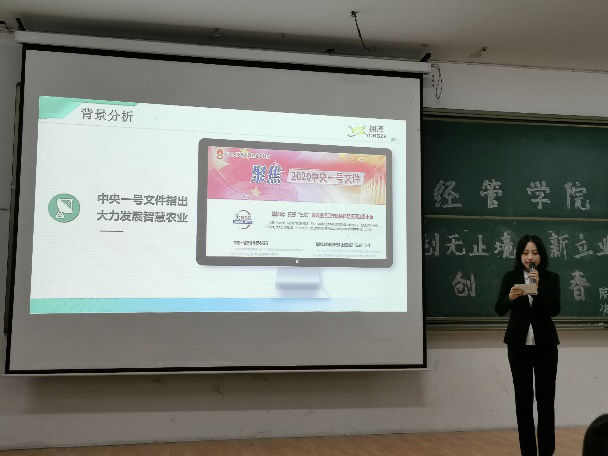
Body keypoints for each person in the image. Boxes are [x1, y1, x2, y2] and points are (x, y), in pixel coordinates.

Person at [495, 234, 561, 456]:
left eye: (534, 252)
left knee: (546, 400)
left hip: (546, 347)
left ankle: (547, 451)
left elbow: (554, 309)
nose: (530, 257)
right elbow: (499, 308)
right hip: (518, 347)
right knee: (523, 401)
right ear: (519, 255)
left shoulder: (551, 278)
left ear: (541, 255)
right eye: (525, 253)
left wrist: (538, 288)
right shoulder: (510, 277)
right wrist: (510, 298)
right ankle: (528, 452)